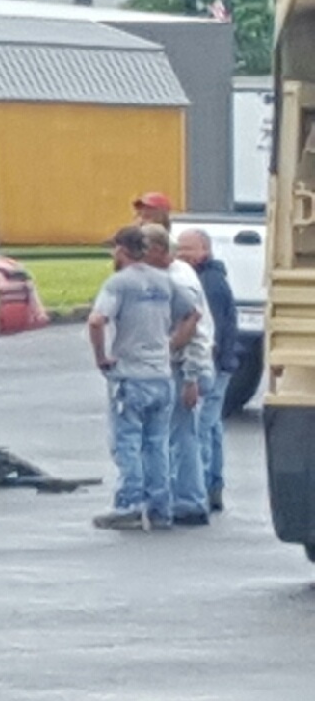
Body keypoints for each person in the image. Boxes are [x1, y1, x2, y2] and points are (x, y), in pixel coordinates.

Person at [87, 223, 197, 531]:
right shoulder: (165, 282)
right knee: (157, 442)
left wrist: (101, 357)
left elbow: (97, 321)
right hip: (161, 375)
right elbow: (192, 313)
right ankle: (161, 507)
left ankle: (129, 503)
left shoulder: (118, 284)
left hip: (130, 375)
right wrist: (172, 343)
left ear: (122, 250)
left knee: (127, 442)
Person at [146, 223, 216, 525]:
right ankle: (186, 497)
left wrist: (190, 378)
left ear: (160, 252)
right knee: (180, 434)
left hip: (187, 367)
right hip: (187, 367)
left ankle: (189, 501)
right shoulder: (173, 275)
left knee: (181, 435)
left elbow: (195, 331)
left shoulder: (177, 281)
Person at [177, 227, 242, 512]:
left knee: (200, 428)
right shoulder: (210, 277)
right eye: (179, 249)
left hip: (213, 366)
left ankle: (199, 490)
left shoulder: (209, 283)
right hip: (223, 364)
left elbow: (210, 331)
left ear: (205, 250)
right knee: (212, 427)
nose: (182, 255)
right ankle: (214, 486)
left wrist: (201, 369)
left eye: (188, 249)